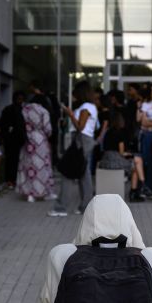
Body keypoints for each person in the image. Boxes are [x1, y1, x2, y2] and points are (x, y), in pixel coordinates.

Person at [49, 81, 98, 217]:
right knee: (83, 174)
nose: (74, 97)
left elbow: (80, 127)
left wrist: (70, 114)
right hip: (84, 140)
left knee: (67, 171)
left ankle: (61, 207)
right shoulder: (89, 106)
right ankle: (87, 207)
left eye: (75, 94)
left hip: (81, 140)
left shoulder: (86, 107)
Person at [98, 110, 146, 202]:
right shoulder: (120, 133)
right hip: (115, 161)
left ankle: (136, 190)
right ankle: (140, 186)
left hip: (106, 160)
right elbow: (121, 152)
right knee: (138, 160)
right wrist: (130, 154)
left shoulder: (108, 132)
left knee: (136, 166)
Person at [17, 94, 55, 202]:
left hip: (27, 140)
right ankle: (44, 192)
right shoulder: (43, 111)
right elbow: (48, 129)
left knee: (28, 167)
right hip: (40, 140)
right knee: (42, 167)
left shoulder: (24, 109)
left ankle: (29, 194)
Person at [0, 91, 27, 189]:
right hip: (12, 139)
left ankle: (12, 180)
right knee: (12, 161)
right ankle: (11, 180)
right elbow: (3, 124)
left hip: (15, 139)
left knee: (13, 161)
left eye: (21, 99)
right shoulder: (15, 110)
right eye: (19, 99)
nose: (20, 101)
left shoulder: (20, 110)